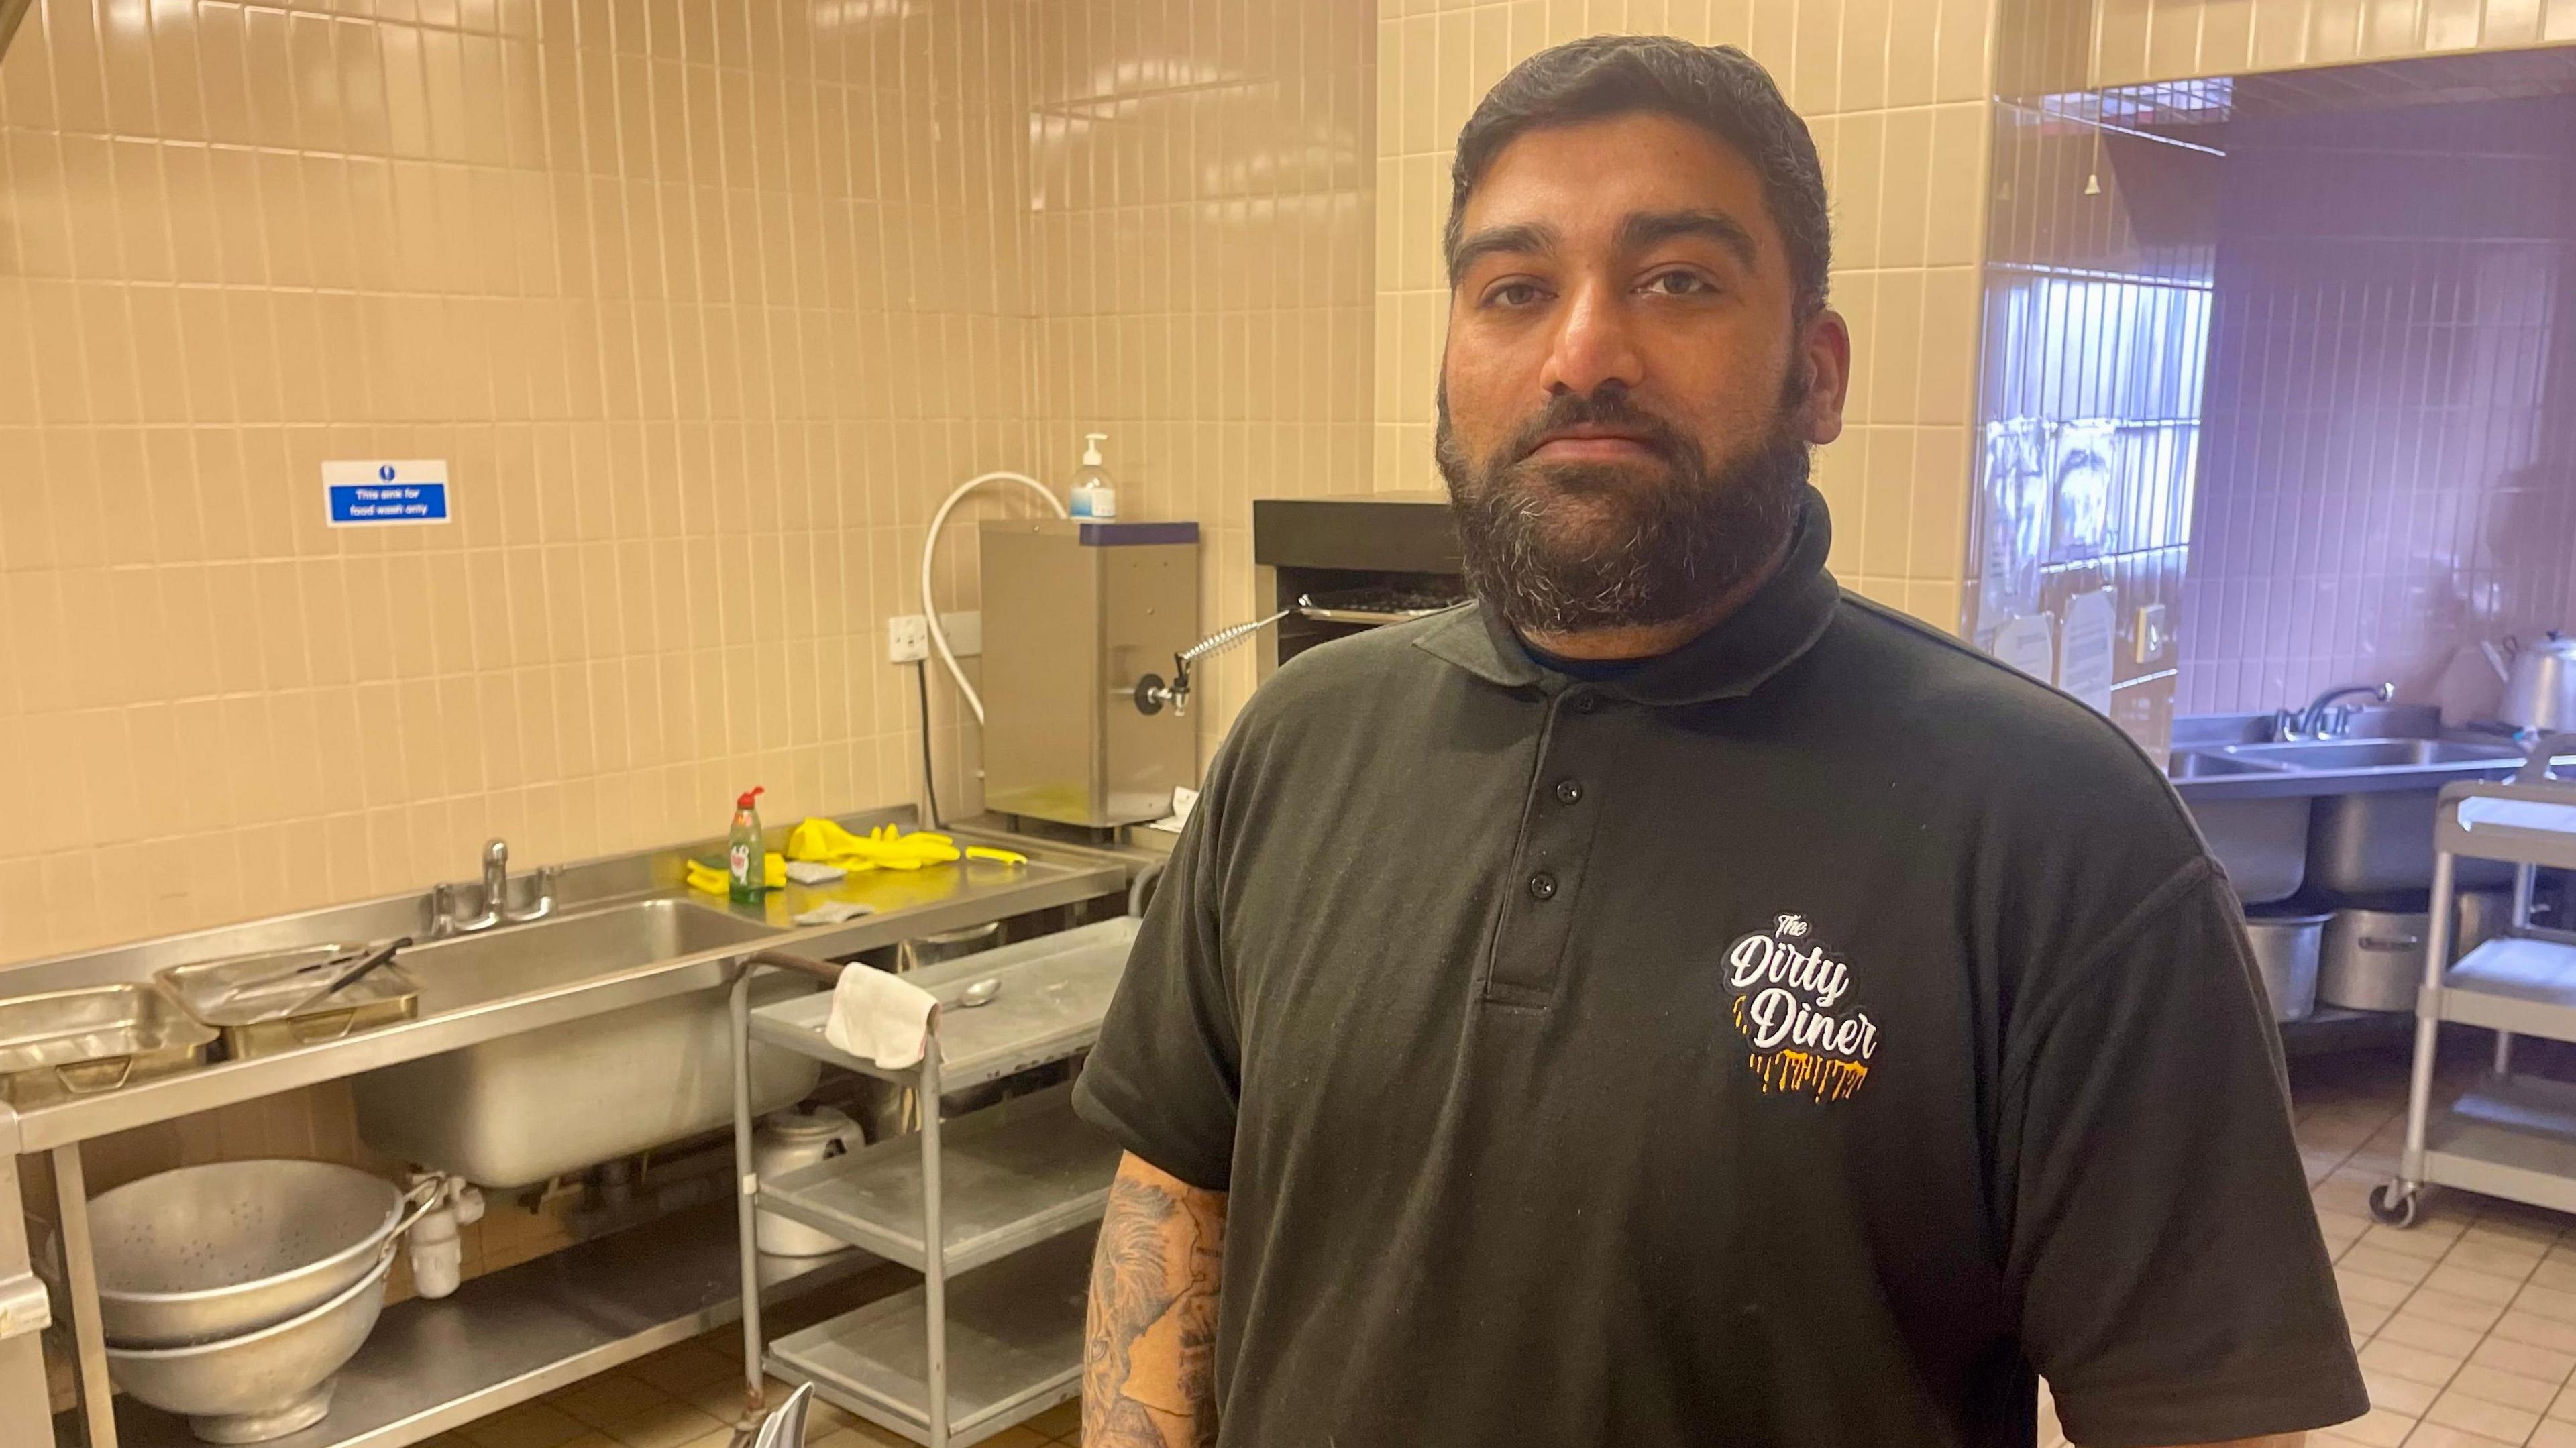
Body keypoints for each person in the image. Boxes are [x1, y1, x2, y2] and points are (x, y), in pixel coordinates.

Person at [1071, 34, 2367, 1448]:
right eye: (1515, 290)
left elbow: (2200, 1420)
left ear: (1817, 372)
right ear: (1452, 364)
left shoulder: (2059, 834)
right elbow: (1175, 1198)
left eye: (1676, 280)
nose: (1581, 353)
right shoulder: (1297, 745)